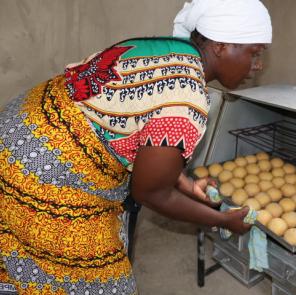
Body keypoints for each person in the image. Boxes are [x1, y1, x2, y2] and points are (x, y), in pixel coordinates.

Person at [0, 0, 272, 293]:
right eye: (254, 54)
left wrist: (185, 184)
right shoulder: (187, 99)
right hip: (41, 168)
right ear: (221, 46)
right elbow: (151, 192)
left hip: (20, 127)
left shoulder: (167, 50)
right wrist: (222, 220)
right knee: (101, 281)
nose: (257, 67)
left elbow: (145, 133)